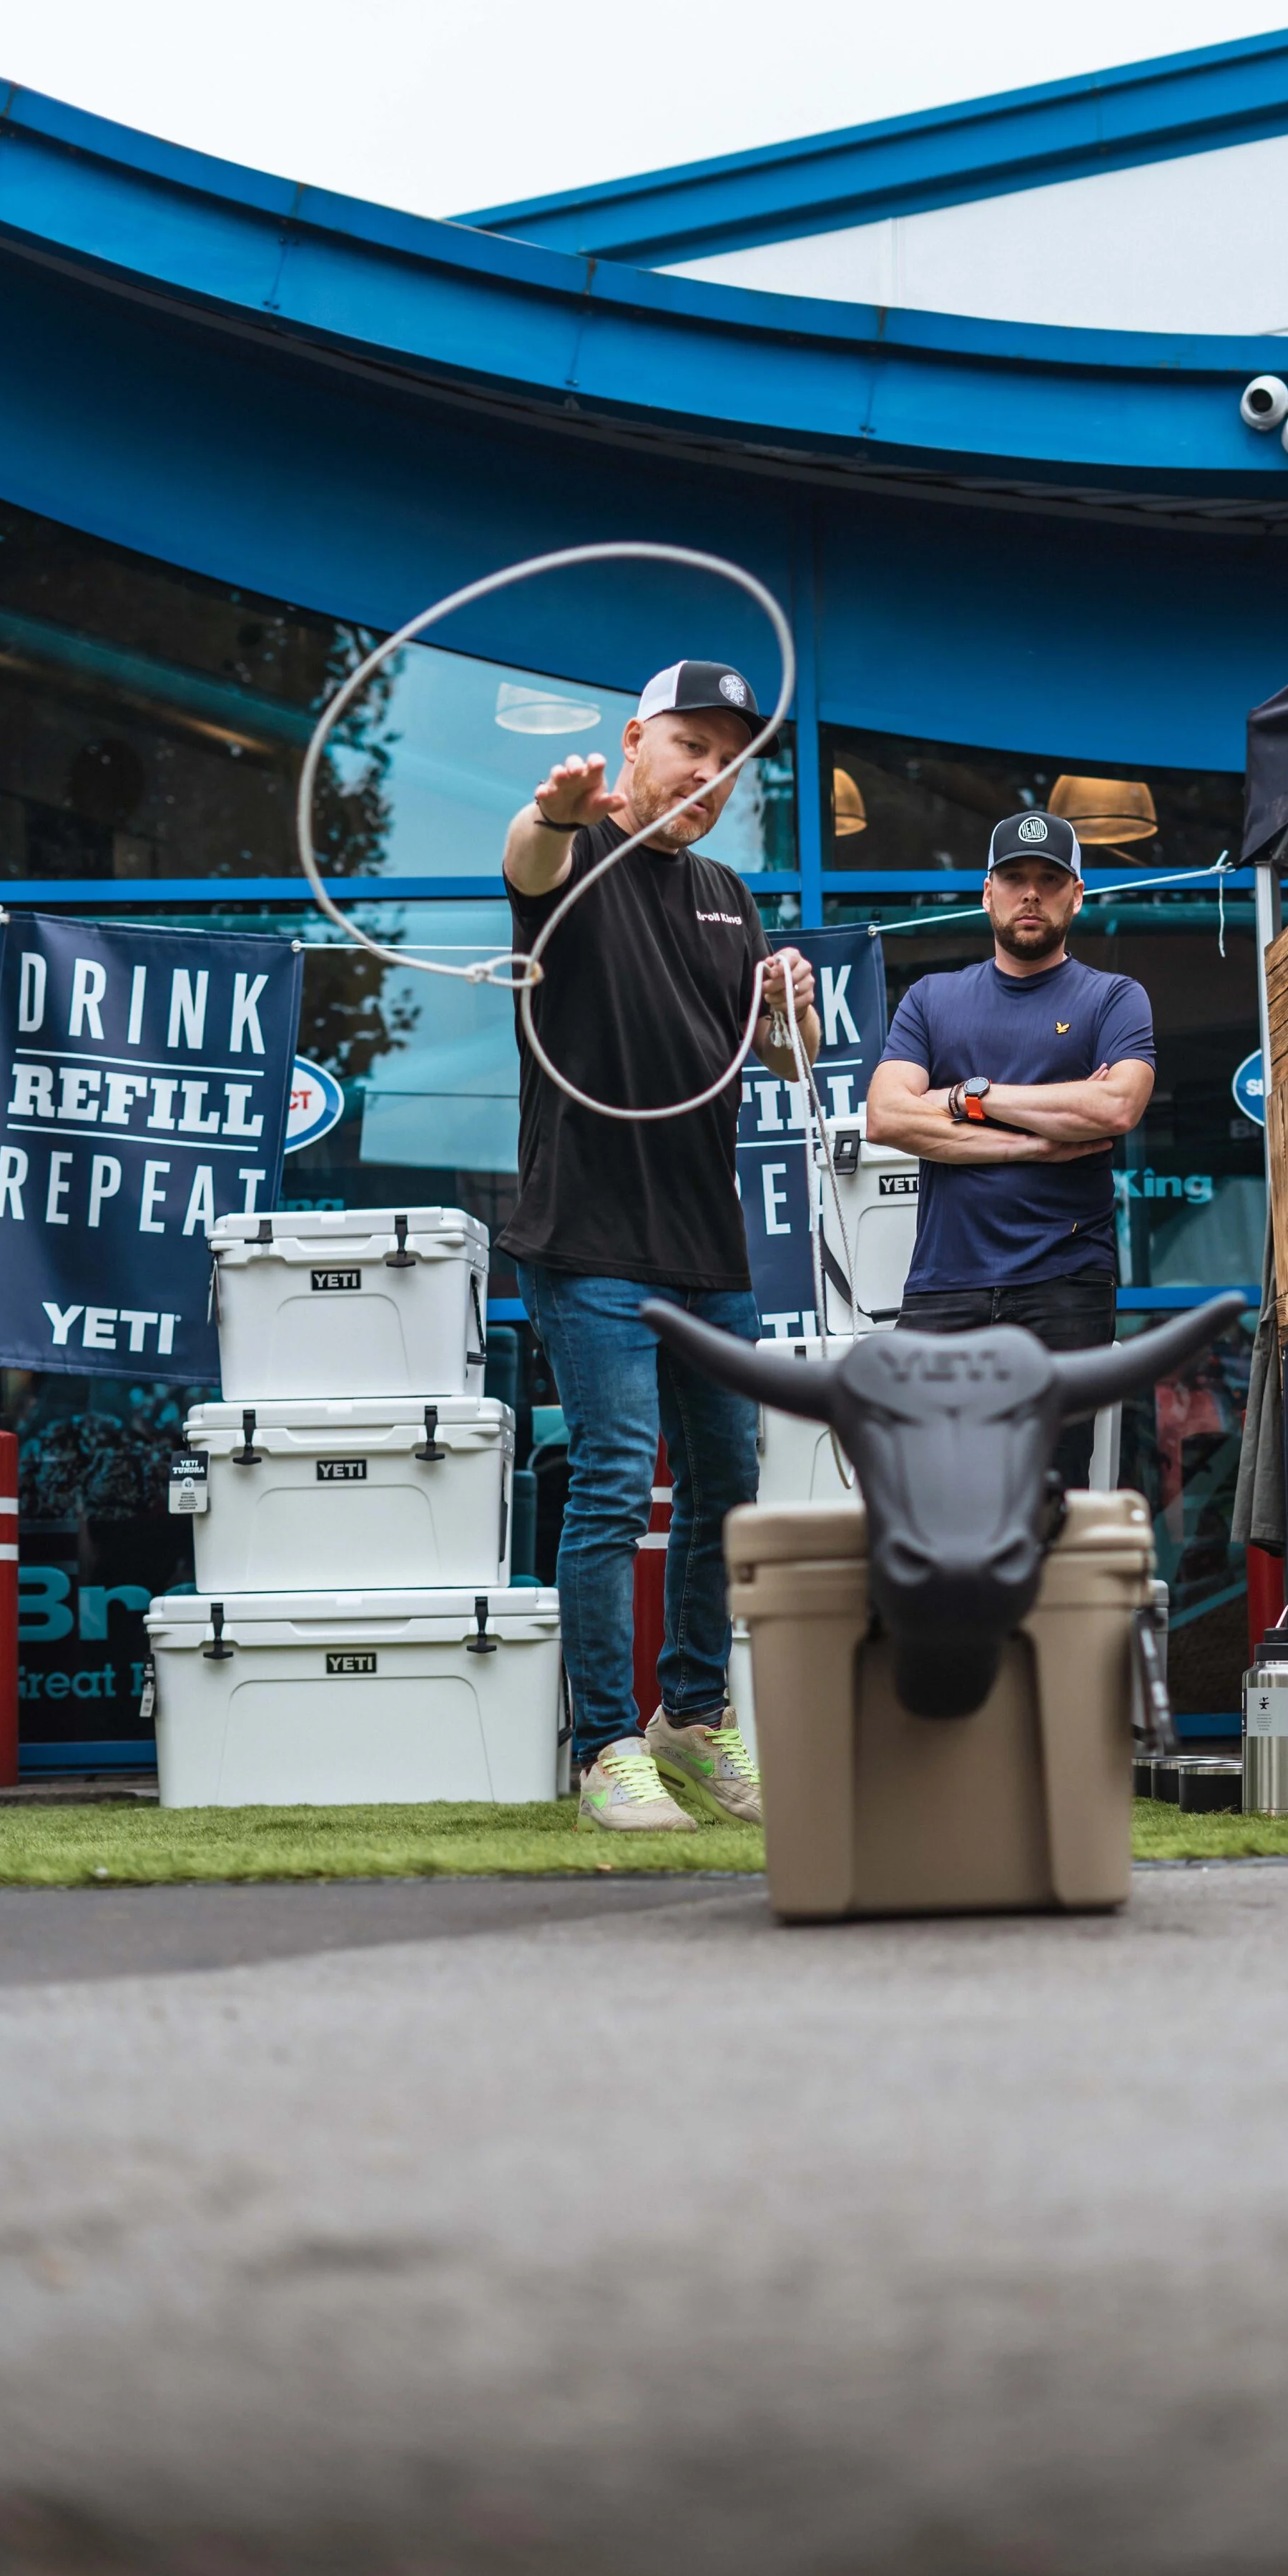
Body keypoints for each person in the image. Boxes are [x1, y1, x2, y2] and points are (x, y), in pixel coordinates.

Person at [501, 659, 820, 1834]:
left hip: (708, 1248)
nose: (709, 772)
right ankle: (601, 1751)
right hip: (587, 1236)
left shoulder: (730, 898)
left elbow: (788, 1066)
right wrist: (550, 810)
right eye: (690, 744)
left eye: (729, 758)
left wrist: (791, 1001)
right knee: (612, 1482)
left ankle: (689, 1724)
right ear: (635, 742)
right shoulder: (576, 857)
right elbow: (524, 865)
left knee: (728, 1491)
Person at [865, 810, 1154, 1489]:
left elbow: (1113, 1107)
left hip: (1064, 1283)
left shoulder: (1112, 998)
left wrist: (970, 1095)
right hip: (945, 1282)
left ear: (1076, 895)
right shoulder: (931, 1000)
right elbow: (884, 1118)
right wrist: (1028, 1143)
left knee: (1049, 1497)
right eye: (1015, 878)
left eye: (1049, 880)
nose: (1032, 894)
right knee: (924, 1493)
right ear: (986, 892)